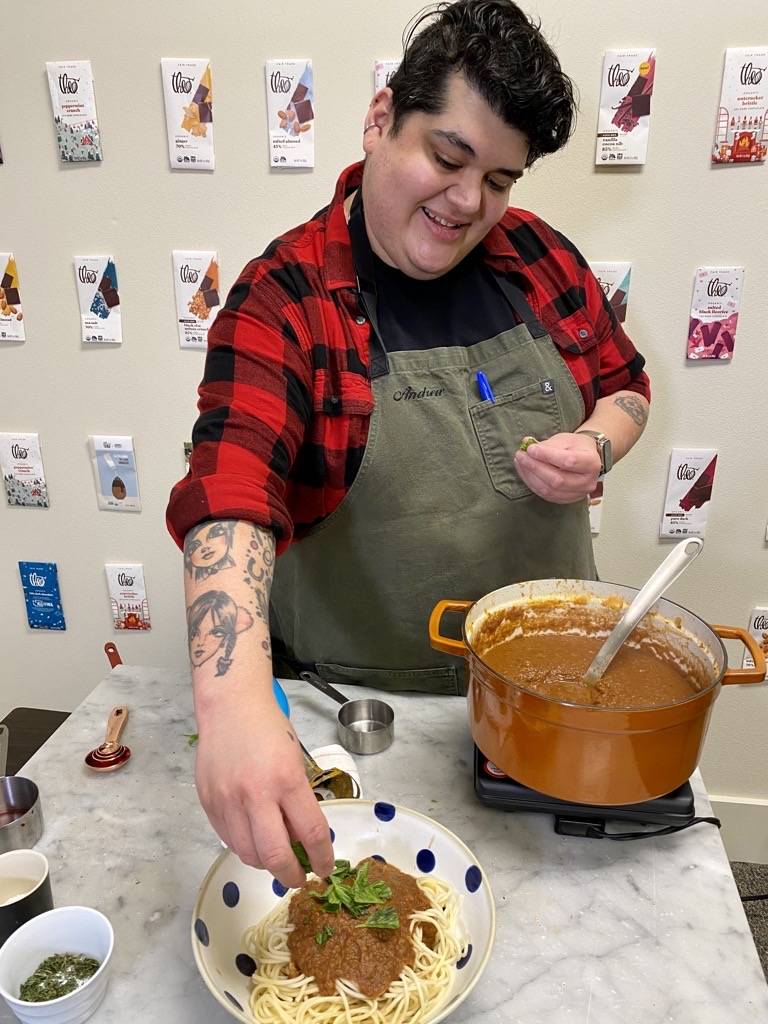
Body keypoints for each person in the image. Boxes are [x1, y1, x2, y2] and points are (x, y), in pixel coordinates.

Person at [166, 0, 651, 888]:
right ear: (382, 117)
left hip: (550, 703)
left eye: (501, 180)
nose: (469, 204)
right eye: (448, 157)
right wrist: (232, 702)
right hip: (359, 722)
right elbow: (230, 488)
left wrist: (599, 444)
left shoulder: (540, 259)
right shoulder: (287, 296)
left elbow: (628, 386)